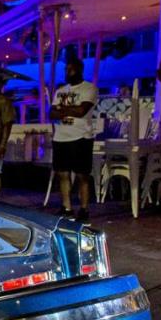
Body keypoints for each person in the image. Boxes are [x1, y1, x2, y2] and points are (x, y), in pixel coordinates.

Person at [50, 58, 98, 221]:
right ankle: (67, 207)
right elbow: (52, 113)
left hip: (81, 137)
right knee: (62, 173)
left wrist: (62, 109)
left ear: (79, 70)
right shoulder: (60, 91)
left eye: (70, 69)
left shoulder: (89, 88)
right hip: (61, 137)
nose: (67, 73)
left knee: (82, 175)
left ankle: (84, 208)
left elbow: (81, 111)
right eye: (66, 70)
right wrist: (69, 110)